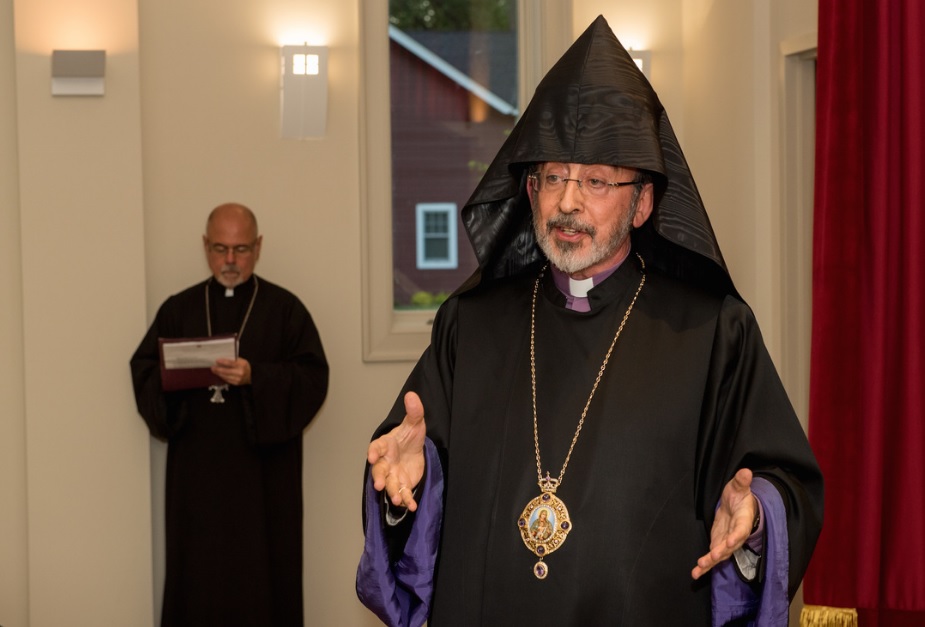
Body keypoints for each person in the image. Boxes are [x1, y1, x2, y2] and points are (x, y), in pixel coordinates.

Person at [356, 16, 823, 627]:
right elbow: (410, 469)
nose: (568, 202)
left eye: (597, 181)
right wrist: (405, 487)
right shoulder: (469, 326)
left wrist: (756, 513)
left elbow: (785, 480)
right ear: (530, 191)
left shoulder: (713, 332)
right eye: (553, 177)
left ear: (643, 202)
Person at [131, 203, 328, 626]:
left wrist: (257, 376)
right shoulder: (178, 309)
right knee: (196, 583)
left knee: (264, 584)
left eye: (241, 249)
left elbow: (313, 378)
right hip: (196, 482)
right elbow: (143, 371)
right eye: (220, 249)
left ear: (259, 247)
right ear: (206, 246)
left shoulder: (285, 310)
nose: (231, 260)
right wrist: (176, 377)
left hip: (264, 484)